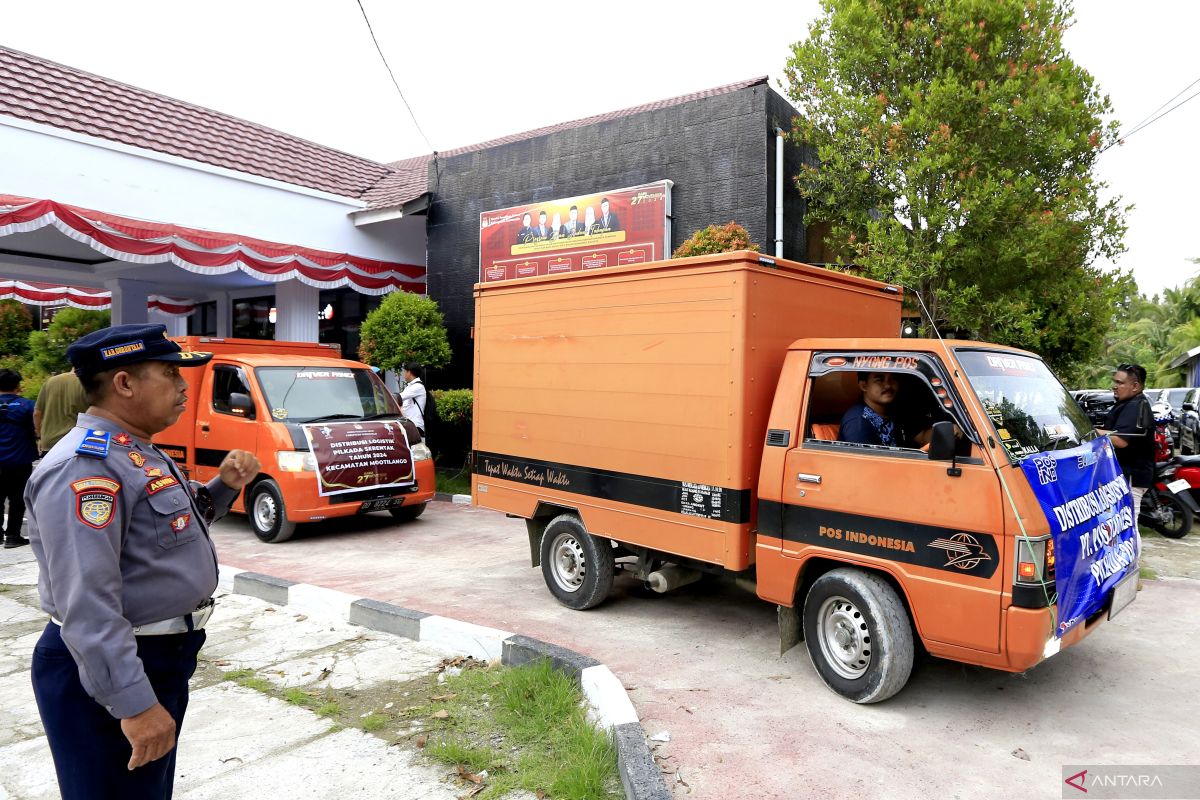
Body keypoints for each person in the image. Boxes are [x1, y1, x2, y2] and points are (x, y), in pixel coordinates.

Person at [24, 323, 261, 800]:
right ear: (124, 383)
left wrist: (226, 484)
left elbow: (170, 529)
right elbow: (87, 603)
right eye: (170, 373)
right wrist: (133, 705)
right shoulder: (85, 467)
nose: (182, 385)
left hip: (159, 656)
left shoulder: (136, 450)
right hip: (110, 666)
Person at [1104, 363, 1155, 510]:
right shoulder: (1129, 402)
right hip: (1126, 474)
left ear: (1135, 386)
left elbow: (1120, 440)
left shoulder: (1135, 405)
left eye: (1120, 383)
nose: (1115, 386)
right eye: (1115, 382)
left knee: (1129, 522)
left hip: (1132, 475)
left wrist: (1088, 432)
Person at [0, 368, 37, 548]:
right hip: (20, 459)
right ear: (17, 385)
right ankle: (13, 536)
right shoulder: (28, 405)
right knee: (17, 498)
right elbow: (37, 427)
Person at [34, 369, 89, 455]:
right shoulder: (88, 384)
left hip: (50, 442)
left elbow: (37, 413)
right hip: (76, 443)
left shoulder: (50, 382)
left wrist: (39, 436)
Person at [399, 362, 427, 434]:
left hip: (415, 425)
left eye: (405, 371)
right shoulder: (410, 386)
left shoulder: (417, 387)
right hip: (409, 425)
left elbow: (399, 397)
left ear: (409, 372)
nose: (404, 374)